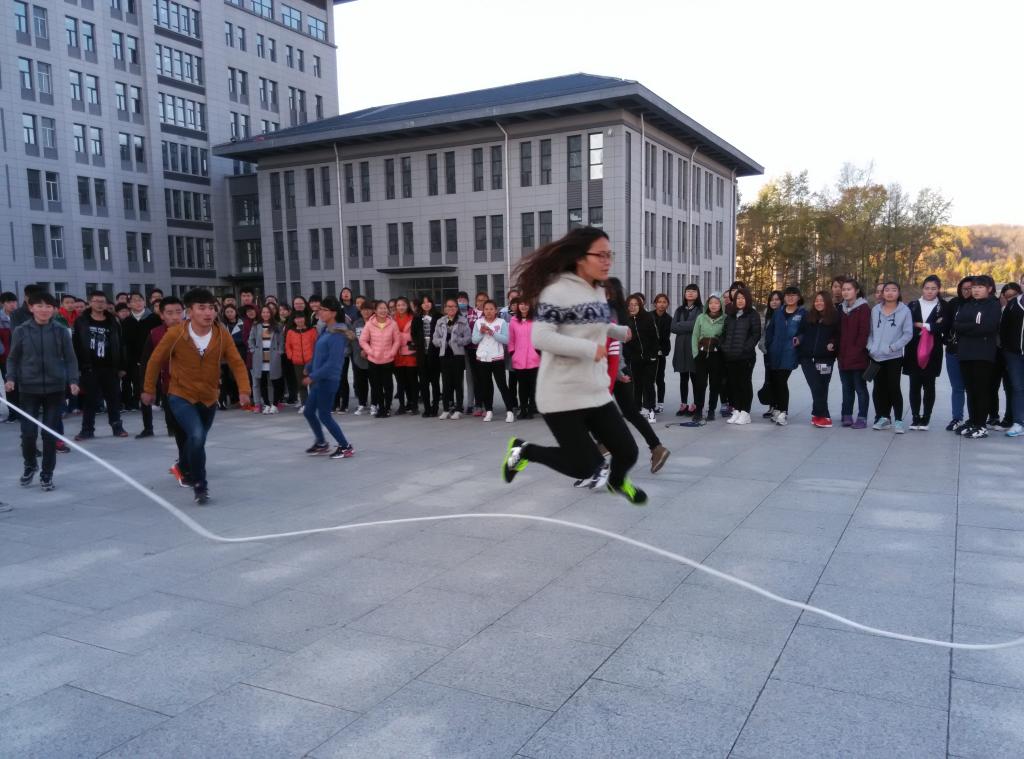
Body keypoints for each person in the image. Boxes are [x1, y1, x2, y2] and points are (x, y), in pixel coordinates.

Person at [500, 227, 645, 504]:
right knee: (584, 467)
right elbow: (541, 337)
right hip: (561, 393)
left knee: (628, 452)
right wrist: (590, 349)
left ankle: (616, 482)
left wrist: (616, 331)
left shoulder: (598, 290)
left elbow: (591, 322)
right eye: (600, 255)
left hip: (594, 389)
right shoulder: (555, 291)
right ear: (580, 257)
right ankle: (524, 451)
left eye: (610, 254)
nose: (607, 261)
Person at [142, 289, 251, 504]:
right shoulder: (176, 334)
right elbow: (155, 360)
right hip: (180, 394)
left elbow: (237, 363)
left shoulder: (222, 335)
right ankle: (200, 485)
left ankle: (182, 465)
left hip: (209, 397)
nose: (208, 313)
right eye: (202, 308)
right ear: (190, 312)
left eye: (211, 308)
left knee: (196, 440)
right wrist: (149, 389)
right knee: (197, 435)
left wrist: (244, 390)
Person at [5, 292, 80, 491]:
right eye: (39, 306)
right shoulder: (21, 330)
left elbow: (70, 358)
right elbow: (13, 358)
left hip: (55, 390)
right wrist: (10, 378)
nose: (44, 310)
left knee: (49, 434)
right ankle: (30, 464)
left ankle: (47, 474)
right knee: (28, 433)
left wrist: (73, 380)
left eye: (48, 306)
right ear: (31, 308)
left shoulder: (61, 331)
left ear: (54, 309)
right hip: (29, 389)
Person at [139, 297, 188, 481]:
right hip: (170, 390)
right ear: (161, 315)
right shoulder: (155, 334)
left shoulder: (195, 331)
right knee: (179, 429)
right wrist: (147, 389)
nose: (175, 317)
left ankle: (187, 461)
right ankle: (185, 462)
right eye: (170, 313)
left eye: (178, 312)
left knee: (194, 430)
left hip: (195, 389)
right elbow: (146, 363)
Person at [302, 296, 355, 459]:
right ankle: (321, 442)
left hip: (328, 380)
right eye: (320, 309)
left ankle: (345, 446)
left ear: (333, 313)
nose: (320, 312)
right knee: (309, 411)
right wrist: (309, 366)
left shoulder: (337, 335)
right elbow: (319, 353)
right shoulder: (326, 329)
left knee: (324, 415)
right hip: (319, 379)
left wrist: (313, 376)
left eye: (324, 310)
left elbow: (332, 363)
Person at [73, 291, 129, 440]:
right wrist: (78, 366)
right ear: (90, 303)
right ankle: (87, 429)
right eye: (96, 301)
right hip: (89, 367)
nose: (99, 304)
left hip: (110, 367)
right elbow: (76, 344)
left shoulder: (113, 321)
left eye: (102, 301)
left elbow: (121, 344)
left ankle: (117, 427)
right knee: (90, 400)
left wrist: (122, 366)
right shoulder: (81, 321)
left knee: (113, 399)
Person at [954, 275, 1001, 439]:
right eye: (974, 287)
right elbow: (957, 325)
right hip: (965, 353)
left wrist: (968, 327)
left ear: (989, 289)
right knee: (971, 389)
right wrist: (974, 325)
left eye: (980, 287)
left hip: (983, 354)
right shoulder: (967, 305)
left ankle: (981, 425)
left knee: (981, 390)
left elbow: (988, 327)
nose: (976, 290)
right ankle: (973, 421)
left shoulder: (993, 305)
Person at [867, 282, 913, 433]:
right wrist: (871, 347)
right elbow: (870, 332)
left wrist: (893, 347)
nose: (890, 293)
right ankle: (883, 418)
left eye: (894, 290)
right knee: (878, 388)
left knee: (893, 387)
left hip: (893, 356)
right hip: (876, 356)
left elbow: (908, 334)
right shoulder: (875, 310)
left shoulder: (904, 311)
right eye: (887, 290)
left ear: (898, 293)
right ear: (882, 293)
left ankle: (898, 420)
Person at [904, 275, 947, 431]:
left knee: (929, 385)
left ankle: (926, 417)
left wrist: (923, 325)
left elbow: (944, 326)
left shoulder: (943, 306)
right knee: (914, 385)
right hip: (913, 350)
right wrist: (932, 325)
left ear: (938, 289)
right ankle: (915, 417)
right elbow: (907, 324)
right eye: (927, 288)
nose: (930, 291)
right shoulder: (913, 305)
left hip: (933, 350)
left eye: (933, 289)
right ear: (922, 289)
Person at [764, 286, 806, 426]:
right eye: (788, 295)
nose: (790, 298)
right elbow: (770, 331)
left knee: (782, 381)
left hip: (790, 352)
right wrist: (770, 345)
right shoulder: (778, 313)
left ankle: (783, 411)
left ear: (798, 297)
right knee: (776, 381)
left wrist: (799, 339)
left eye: (793, 295)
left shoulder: (803, 313)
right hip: (775, 351)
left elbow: (806, 331)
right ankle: (777, 408)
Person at [121, 292, 162, 436]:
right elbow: (124, 345)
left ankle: (172, 426)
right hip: (137, 363)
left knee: (164, 391)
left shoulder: (155, 318)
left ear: (145, 302)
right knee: (142, 393)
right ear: (129, 304)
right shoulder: (126, 322)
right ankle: (148, 428)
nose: (138, 303)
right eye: (134, 301)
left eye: (140, 300)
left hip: (157, 360)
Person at [720, 285, 761, 425]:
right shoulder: (730, 316)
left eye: (743, 298)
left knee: (744, 384)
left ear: (747, 299)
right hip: (730, 357)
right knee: (733, 384)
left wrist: (745, 348)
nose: (740, 300)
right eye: (738, 298)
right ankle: (737, 410)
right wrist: (724, 347)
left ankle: (745, 412)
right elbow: (723, 334)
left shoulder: (752, 314)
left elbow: (756, 335)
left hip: (745, 357)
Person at [797, 291, 839, 427]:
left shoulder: (835, 317)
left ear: (827, 302)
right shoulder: (808, 316)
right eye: (816, 300)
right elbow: (801, 332)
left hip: (825, 358)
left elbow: (838, 335)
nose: (818, 303)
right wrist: (798, 339)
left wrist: (833, 343)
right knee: (815, 385)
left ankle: (820, 415)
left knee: (822, 386)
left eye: (821, 300)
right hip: (807, 357)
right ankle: (823, 415)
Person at [472, 300, 515, 423]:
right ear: (483, 310)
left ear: (496, 310)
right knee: (486, 386)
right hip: (482, 358)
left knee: (502, 385)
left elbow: (506, 340)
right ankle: (489, 411)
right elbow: (474, 340)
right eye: (486, 309)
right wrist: (481, 333)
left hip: (497, 358)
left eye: (491, 309)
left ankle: (510, 411)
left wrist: (492, 332)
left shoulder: (501, 322)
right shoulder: (478, 322)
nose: (489, 311)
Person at [837, 279, 871, 428]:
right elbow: (837, 331)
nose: (845, 292)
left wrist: (856, 351)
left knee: (860, 388)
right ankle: (846, 415)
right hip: (843, 356)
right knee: (846, 388)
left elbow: (864, 333)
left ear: (856, 291)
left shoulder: (863, 308)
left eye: (849, 289)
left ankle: (862, 417)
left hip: (859, 357)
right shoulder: (841, 308)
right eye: (844, 289)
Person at [359, 300, 401, 418]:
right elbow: (362, 340)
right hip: (374, 360)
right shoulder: (369, 324)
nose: (383, 310)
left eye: (385, 308)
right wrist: (371, 352)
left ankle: (387, 407)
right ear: (375, 310)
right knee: (376, 386)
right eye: (380, 308)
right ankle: (381, 407)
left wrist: (392, 352)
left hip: (388, 360)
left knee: (388, 385)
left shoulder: (392, 324)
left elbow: (397, 340)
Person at [690, 292, 726, 424]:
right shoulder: (701, 317)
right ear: (707, 305)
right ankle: (699, 410)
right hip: (701, 355)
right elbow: (695, 335)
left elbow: (726, 337)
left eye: (716, 303)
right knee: (700, 384)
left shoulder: (725, 319)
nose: (713, 305)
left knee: (715, 384)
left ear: (721, 305)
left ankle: (711, 410)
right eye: (711, 303)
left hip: (717, 356)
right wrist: (695, 354)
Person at [943, 277, 974, 432]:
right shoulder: (954, 303)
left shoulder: (980, 304)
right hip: (953, 351)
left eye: (970, 288)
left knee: (973, 388)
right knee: (957, 387)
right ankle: (957, 418)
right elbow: (946, 323)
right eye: (964, 288)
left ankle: (974, 420)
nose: (967, 291)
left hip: (973, 352)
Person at [433, 298, 472, 419]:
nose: (451, 308)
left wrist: (456, 341)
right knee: (446, 383)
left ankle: (458, 409)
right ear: (445, 308)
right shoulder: (440, 321)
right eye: (449, 306)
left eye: (454, 306)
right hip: (444, 355)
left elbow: (468, 338)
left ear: (457, 308)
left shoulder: (462, 321)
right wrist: (442, 342)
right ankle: (446, 409)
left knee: (457, 382)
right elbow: (434, 339)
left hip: (458, 355)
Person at [624, 294, 660, 422]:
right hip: (635, 358)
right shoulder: (626, 320)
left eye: (635, 305)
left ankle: (651, 410)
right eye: (630, 305)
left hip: (650, 358)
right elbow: (625, 342)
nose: (633, 307)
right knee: (637, 385)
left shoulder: (648, 317)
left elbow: (654, 337)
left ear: (640, 306)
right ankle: (637, 409)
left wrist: (654, 355)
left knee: (649, 384)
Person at [671, 284, 701, 417]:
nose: (690, 293)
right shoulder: (679, 310)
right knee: (683, 378)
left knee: (695, 378)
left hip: (693, 347)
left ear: (697, 294)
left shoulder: (701, 310)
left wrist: (680, 325)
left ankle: (695, 405)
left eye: (693, 291)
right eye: (688, 291)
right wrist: (688, 326)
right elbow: (673, 327)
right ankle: (683, 404)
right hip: (681, 347)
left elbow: (697, 325)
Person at [248, 305, 284, 414]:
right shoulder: (256, 326)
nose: (265, 314)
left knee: (275, 381)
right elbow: (251, 340)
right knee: (262, 382)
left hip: (273, 356)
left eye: (268, 312)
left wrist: (279, 352)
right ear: (261, 314)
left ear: (271, 314)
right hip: (260, 357)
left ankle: (275, 404)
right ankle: (267, 404)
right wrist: (253, 350)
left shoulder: (277, 325)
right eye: (263, 312)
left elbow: (281, 341)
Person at [507, 298, 539, 419]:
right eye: (521, 304)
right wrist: (512, 353)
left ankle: (531, 409)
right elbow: (511, 340)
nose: (523, 306)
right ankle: (523, 409)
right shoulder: (513, 321)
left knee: (532, 386)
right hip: (519, 358)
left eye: (526, 304)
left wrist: (538, 352)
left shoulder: (536, 320)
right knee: (522, 386)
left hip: (533, 358)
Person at [1000, 281, 1024, 437]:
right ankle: (1018, 423)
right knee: (1018, 387)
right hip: (1014, 355)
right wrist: (1007, 350)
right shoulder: (1013, 304)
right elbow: (1004, 328)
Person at [413, 295, 442, 418]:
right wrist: (419, 342)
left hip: (435, 355)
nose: (426, 304)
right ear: (420, 305)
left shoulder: (438, 317)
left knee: (435, 383)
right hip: (421, 355)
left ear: (432, 303)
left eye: (428, 301)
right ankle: (427, 408)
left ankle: (435, 407)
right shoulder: (416, 318)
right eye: (423, 302)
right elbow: (413, 334)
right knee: (424, 384)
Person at [756, 290, 783, 418]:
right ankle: (772, 406)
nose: (774, 302)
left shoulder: (784, 314)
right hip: (768, 352)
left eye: (777, 299)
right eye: (772, 300)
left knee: (779, 380)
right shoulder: (768, 313)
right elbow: (763, 333)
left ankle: (779, 406)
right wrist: (762, 346)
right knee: (769, 379)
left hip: (780, 353)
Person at [392, 296, 419, 415]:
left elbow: (415, 336)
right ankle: (402, 406)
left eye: (403, 305)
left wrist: (402, 338)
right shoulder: (392, 319)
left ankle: (414, 405)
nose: (401, 307)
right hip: (397, 354)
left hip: (410, 353)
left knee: (412, 381)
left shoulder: (414, 318)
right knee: (401, 382)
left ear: (407, 305)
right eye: (398, 305)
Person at [285, 311, 316, 412]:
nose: (299, 320)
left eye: (301, 317)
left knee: (313, 383)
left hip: (311, 361)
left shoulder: (312, 330)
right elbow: (288, 346)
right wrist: (291, 356)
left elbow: (317, 344)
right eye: (297, 318)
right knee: (301, 384)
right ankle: (304, 404)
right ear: (294, 320)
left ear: (305, 319)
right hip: (297, 362)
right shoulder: (291, 332)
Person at [348, 302, 372, 414]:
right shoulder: (356, 323)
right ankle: (362, 403)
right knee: (361, 382)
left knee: (374, 382)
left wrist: (367, 350)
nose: (366, 312)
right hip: (359, 357)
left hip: (373, 357)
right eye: (363, 309)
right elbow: (354, 340)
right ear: (360, 311)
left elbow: (378, 338)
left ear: (372, 311)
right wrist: (361, 350)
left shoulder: (375, 322)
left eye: (368, 309)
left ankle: (375, 403)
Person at [651, 294, 671, 413]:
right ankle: (650, 403)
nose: (662, 304)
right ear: (655, 304)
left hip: (661, 352)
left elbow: (666, 337)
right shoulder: (649, 316)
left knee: (660, 378)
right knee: (649, 379)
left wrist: (662, 350)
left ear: (667, 304)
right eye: (659, 302)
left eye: (664, 302)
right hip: (649, 352)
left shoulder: (669, 319)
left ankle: (660, 403)